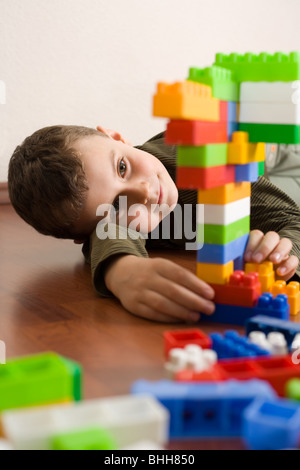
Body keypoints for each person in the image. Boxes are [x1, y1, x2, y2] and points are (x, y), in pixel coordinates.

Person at [8, 125, 300, 323]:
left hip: (282, 162)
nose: (145, 192)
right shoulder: (110, 226)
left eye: (122, 167)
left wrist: (289, 248)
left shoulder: (193, 161)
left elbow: (289, 217)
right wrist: (122, 270)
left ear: (117, 137)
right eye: (117, 205)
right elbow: (107, 234)